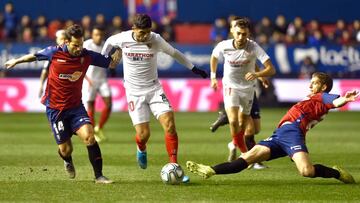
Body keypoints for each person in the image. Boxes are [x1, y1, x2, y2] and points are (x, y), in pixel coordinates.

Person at [187, 72, 358, 184]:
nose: (310, 85)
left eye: (314, 83)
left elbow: (335, 102)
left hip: (293, 134)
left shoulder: (322, 97)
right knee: (247, 158)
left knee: (307, 171)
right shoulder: (313, 98)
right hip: (279, 135)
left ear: (323, 87)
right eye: (311, 82)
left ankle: (336, 173)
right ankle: (210, 170)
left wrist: (345, 99)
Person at [4, 24, 121, 184]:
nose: (79, 48)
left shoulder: (87, 56)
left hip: (76, 108)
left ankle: (99, 176)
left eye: (81, 44)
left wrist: (122, 47)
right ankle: (67, 160)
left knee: (89, 137)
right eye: (75, 45)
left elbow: (112, 63)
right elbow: (34, 56)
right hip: (55, 109)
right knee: (66, 149)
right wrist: (16, 61)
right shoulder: (54, 52)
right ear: (66, 42)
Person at [101, 14, 208, 183]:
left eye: (148, 32)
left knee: (170, 125)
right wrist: (105, 60)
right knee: (143, 135)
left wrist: (194, 68)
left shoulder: (155, 39)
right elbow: (108, 43)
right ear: (134, 29)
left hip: (154, 89)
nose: (145, 36)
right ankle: (141, 148)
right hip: (134, 93)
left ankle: (174, 166)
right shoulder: (122, 38)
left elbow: (175, 53)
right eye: (142, 32)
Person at [209, 17, 276, 162]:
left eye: (244, 34)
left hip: (248, 90)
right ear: (232, 31)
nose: (240, 37)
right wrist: (213, 77)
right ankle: (245, 153)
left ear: (249, 34)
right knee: (234, 121)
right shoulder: (224, 46)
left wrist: (258, 75)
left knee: (243, 124)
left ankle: (234, 145)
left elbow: (271, 69)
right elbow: (214, 57)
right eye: (238, 33)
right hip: (230, 86)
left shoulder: (253, 47)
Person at [84, 26, 112, 143]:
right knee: (91, 107)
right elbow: (79, 63)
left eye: (100, 35)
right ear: (92, 35)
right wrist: (85, 78)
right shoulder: (86, 45)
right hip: (89, 80)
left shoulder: (106, 45)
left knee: (109, 104)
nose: (98, 37)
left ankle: (98, 128)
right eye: (96, 35)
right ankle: (92, 133)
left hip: (102, 80)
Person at [38, 29, 66, 98]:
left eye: (65, 39)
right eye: (61, 39)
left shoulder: (72, 53)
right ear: (57, 40)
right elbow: (45, 71)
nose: (63, 41)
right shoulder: (52, 53)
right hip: (55, 88)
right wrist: (41, 85)